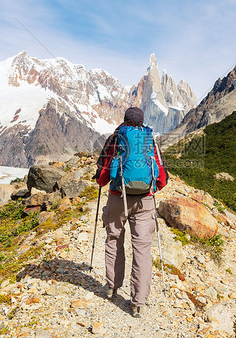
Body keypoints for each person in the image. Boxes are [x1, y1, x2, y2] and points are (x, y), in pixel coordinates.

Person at [94, 107, 168, 318]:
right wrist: (152, 188)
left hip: (118, 197)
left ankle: (112, 287)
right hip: (145, 200)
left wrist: (103, 181)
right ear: (142, 122)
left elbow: (102, 174)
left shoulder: (115, 138)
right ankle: (138, 302)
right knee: (142, 249)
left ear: (125, 120)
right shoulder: (149, 140)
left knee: (114, 239)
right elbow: (162, 176)